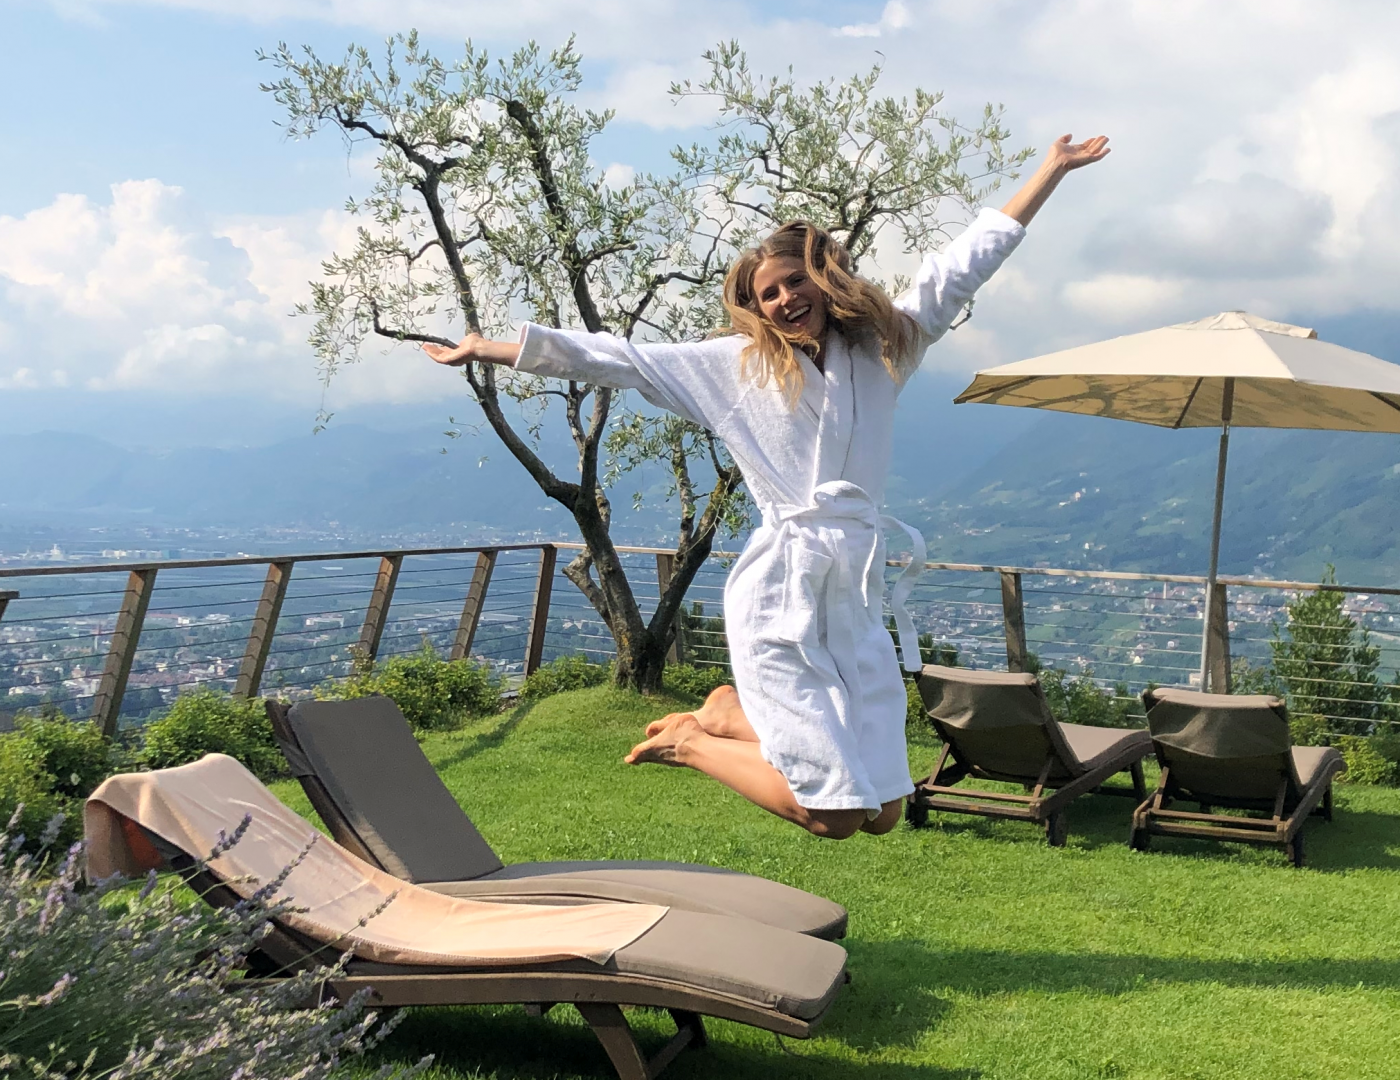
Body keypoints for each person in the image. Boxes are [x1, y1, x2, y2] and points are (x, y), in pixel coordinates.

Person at [425, 134, 1110, 840]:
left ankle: (728, 710)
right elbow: (620, 359)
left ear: (824, 280)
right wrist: (494, 348)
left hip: (853, 592)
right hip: (782, 584)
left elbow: (960, 268)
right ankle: (692, 741)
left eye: (794, 283)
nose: (785, 300)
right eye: (768, 294)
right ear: (754, 309)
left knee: (883, 813)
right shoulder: (736, 369)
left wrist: (1050, 170)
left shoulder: (882, 351)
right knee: (832, 817)